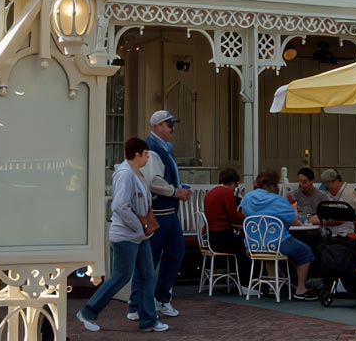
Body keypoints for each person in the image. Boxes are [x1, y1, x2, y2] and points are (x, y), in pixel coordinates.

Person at [77, 137, 169, 333]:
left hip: (137, 235)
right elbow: (119, 205)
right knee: (122, 276)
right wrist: (139, 226)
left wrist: (140, 228)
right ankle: (88, 311)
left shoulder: (133, 173)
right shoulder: (126, 174)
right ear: (137, 154)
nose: (147, 158)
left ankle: (148, 321)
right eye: (145, 154)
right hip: (128, 235)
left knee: (146, 276)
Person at [239, 169, 319, 300]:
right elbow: (293, 219)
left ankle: (273, 286)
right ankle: (301, 289)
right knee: (305, 253)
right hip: (278, 242)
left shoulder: (248, 198)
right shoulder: (278, 201)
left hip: (255, 244)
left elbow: (244, 215)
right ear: (272, 185)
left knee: (270, 255)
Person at [142, 110, 191, 318]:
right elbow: (153, 181)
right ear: (157, 126)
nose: (172, 128)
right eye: (168, 124)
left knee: (174, 254)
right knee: (151, 258)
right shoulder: (153, 149)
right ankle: (143, 302)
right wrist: (175, 191)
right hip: (160, 212)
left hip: (169, 211)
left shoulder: (161, 148)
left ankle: (161, 298)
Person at [203, 166, 254, 294]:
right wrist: (248, 218)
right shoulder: (226, 193)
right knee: (245, 252)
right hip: (222, 236)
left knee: (238, 247)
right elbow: (234, 217)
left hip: (211, 236)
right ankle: (246, 286)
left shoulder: (211, 192)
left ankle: (238, 282)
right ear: (234, 182)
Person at [320, 168, 356, 237]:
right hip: (330, 233)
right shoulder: (330, 193)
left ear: (335, 181)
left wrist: (322, 222)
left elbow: (342, 219)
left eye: (327, 186)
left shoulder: (349, 194)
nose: (326, 189)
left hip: (345, 234)